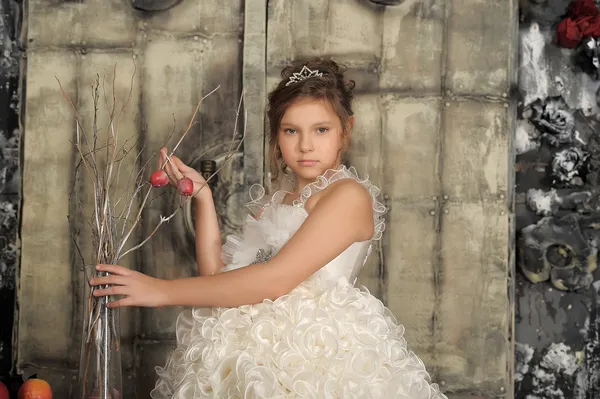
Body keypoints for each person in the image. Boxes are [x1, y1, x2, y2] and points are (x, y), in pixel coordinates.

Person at [91, 59, 448, 399]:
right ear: (277, 136)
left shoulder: (347, 196)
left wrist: (162, 291)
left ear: (345, 131)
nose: (305, 145)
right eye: (291, 130)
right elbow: (219, 278)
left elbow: (275, 279)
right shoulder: (278, 202)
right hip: (248, 353)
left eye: (321, 130)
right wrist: (203, 198)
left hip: (313, 355)